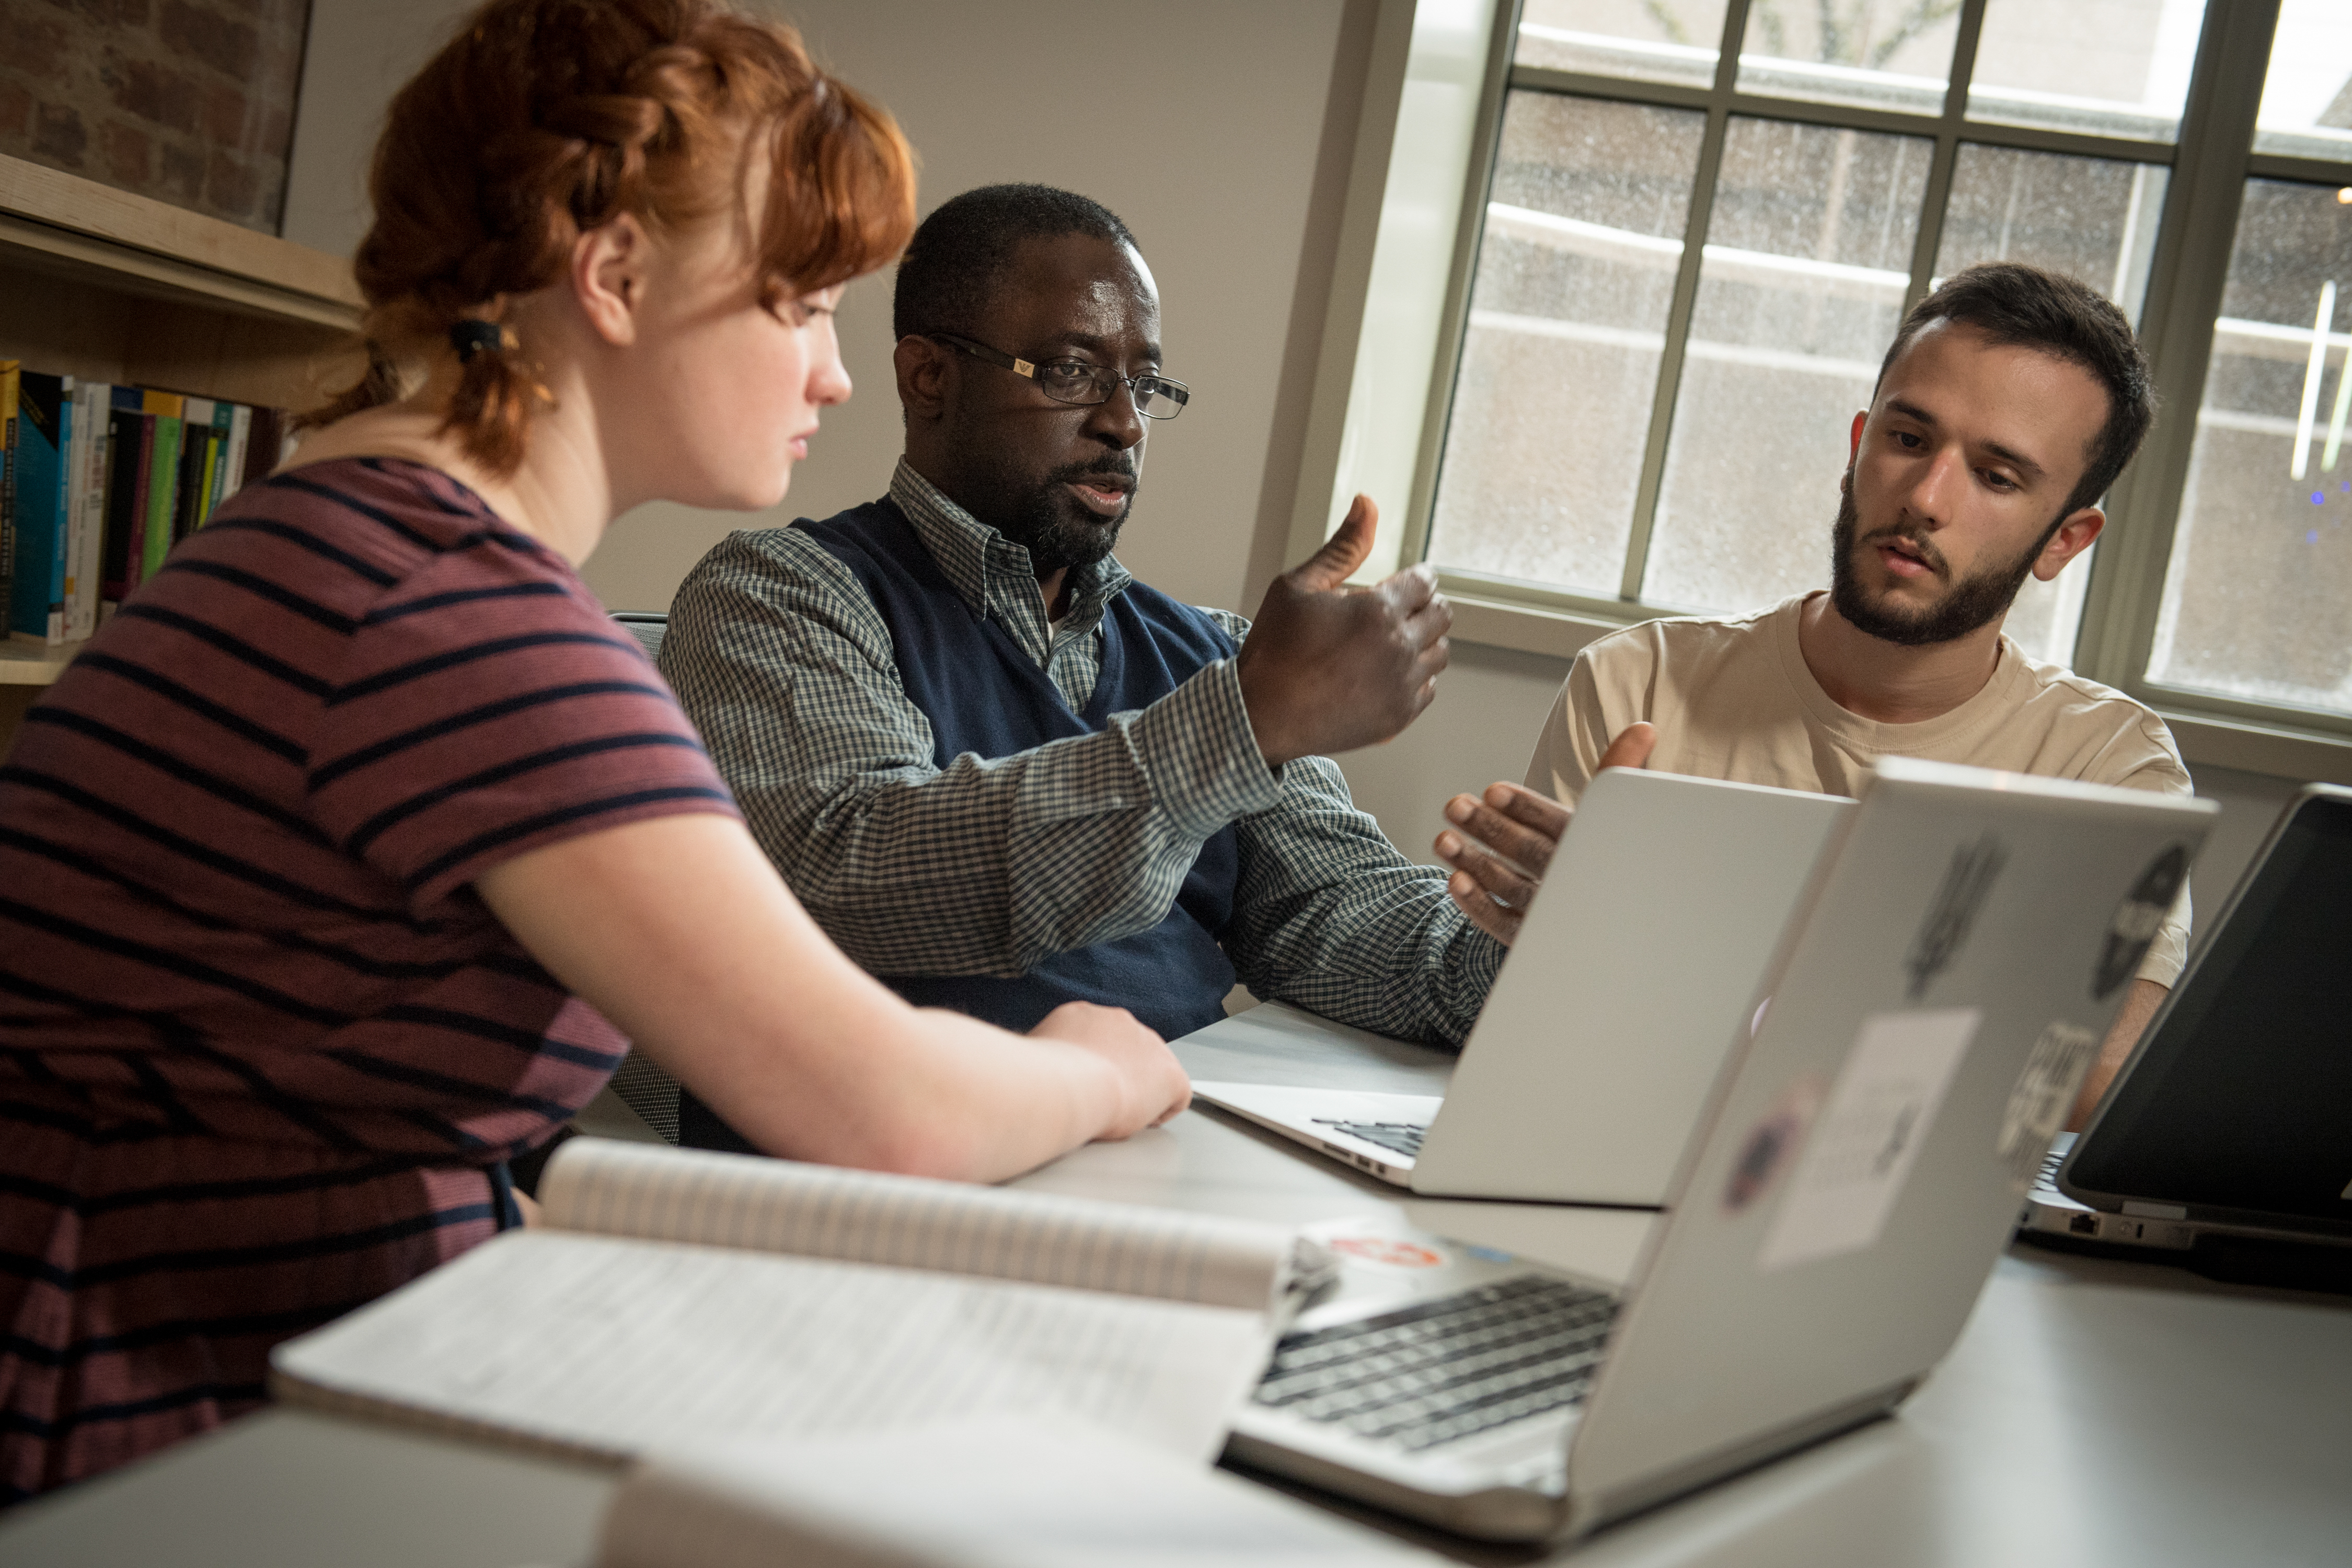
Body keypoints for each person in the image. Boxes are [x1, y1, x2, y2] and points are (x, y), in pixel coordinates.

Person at [0, 2, 1189, 1501]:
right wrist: (1091, 1065)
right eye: (799, 303)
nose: (833, 374)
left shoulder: (350, 533)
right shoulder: (454, 614)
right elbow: (892, 1114)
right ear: (617, 276)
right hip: (133, 1439)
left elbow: (322, 1110)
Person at [660, 185, 1628, 1151]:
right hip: (886, 1179)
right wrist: (1241, 725)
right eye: (1073, 372)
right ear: (928, 377)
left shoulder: (1211, 650)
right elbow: (861, 876)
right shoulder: (782, 595)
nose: (1124, 422)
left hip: (1166, 1155)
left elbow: (1330, 914)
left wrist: (1520, 935)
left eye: (1146, 383)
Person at [1434, 262, 2188, 1124]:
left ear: (2066, 540)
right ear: (1857, 449)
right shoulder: (1636, 681)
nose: (1926, 498)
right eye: (1908, 440)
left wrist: (1664, 952)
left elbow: (2096, 1082)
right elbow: (1552, 1015)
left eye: (1997, 476)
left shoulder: (2108, 765)